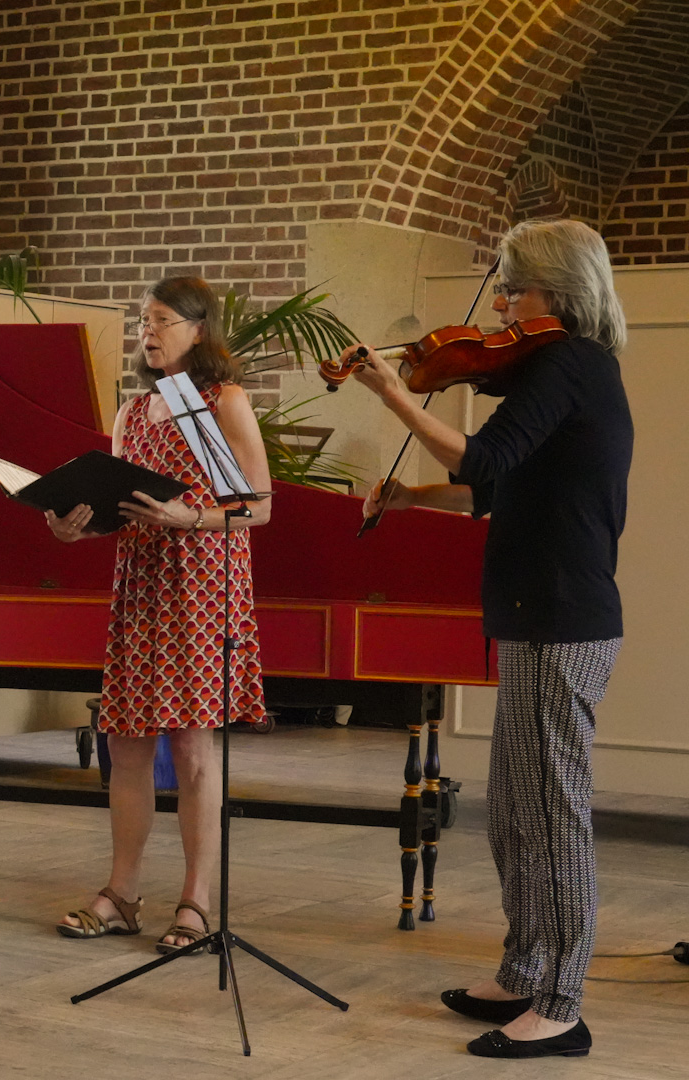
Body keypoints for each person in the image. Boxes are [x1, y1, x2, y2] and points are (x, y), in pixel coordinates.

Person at [341, 218, 630, 1060]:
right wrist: (406, 497)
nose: (501, 302)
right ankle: (525, 965)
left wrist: (392, 393)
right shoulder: (553, 372)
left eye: (515, 287)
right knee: (514, 812)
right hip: (534, 617)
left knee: (554, 816)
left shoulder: (571, 363)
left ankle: (562, 1003)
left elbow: (479, 457)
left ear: (560, 295)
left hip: (562, 619)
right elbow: (487, 491)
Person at [46, 276, 272, 953]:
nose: (148, 330)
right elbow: (121, 508)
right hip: (140, 588)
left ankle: (196, 903)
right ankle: (121, 892)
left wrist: (190, 515)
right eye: (144, 319)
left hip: (202, 588)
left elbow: (257, 506)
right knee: (127, 746)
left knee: (193, 749)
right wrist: (76, 527)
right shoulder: (134, 413)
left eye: (163, 320)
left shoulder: (218, 402)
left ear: (198, 331)